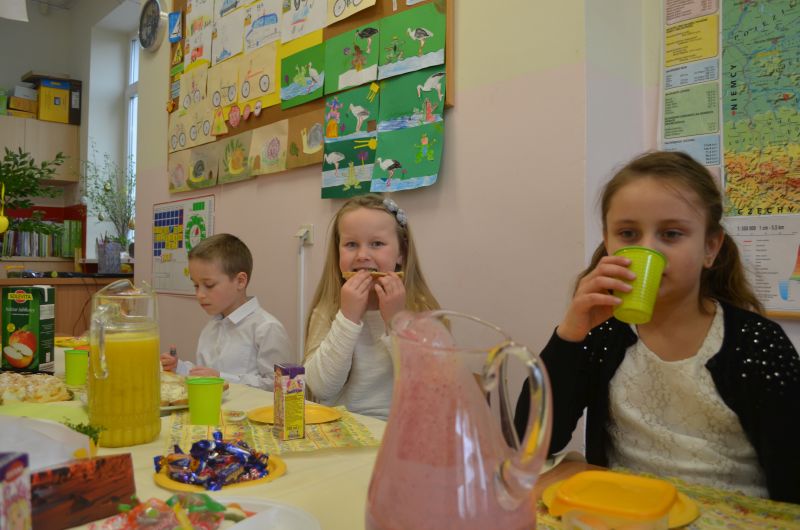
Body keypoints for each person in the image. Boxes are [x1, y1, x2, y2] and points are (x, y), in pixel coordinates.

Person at [515, 151, 800, 503]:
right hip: (626, 512)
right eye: (628, 233)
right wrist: (569, 336)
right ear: (608, 242)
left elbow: (792, 476)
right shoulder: (602, 335)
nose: (649, 249)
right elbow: (530, 444)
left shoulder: (756, 342)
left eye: (671, 233)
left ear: (710, 247)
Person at [304, 194, 440, 419]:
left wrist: (396, 321)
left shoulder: (421, 310)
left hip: (398, 428)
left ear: (401, 253)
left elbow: (426, 389)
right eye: (351, 244)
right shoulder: (328, 310)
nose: (362, 255)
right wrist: (347, 318)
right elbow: (320, 388)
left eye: (376, 244)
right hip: (339, 427)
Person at [160, 233, 292, 390]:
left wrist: (221, 379)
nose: (199, 294)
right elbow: (204, 374)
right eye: (196, 285)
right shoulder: (212, 326)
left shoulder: (267, 328)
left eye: (209, 285)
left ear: (240, 281)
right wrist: (179, 367)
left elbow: (281, 386)